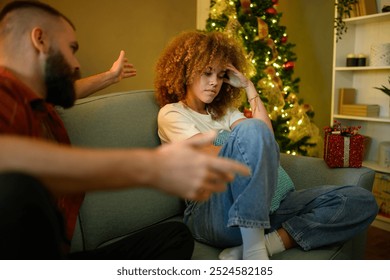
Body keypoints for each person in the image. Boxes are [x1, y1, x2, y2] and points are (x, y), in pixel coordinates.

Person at [0, 1, 250, 260]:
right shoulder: (4, 95)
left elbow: (61, 93)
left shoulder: (33, 103)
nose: (75, 64)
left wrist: (109, 77)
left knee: (175, 238)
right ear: (39, 39)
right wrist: (150, 166)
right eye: (71, 49)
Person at [154, 30, 379, 260]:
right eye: (207, 72)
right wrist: (250, 149)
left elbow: (266, 138)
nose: (214, 82)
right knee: (250, 130)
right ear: (187, 71)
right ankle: (254, 253)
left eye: (221, 75)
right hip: (210, 211)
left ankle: (265, 244)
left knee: (360, 201)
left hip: (263, 206)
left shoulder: (225, 113)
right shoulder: (172, 114)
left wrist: (249, 86)